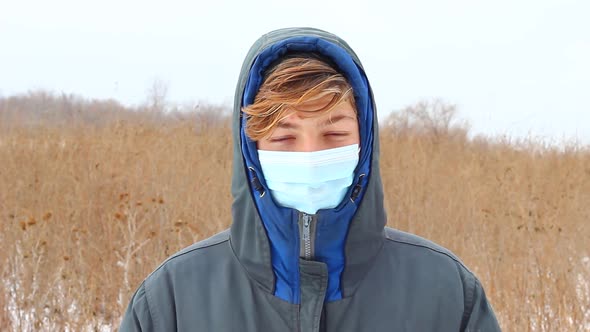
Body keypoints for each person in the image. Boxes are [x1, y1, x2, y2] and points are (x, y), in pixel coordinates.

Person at [120, 27, 500, 331]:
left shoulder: (445, 294)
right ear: (251, 151)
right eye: (284, 137)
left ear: (365, 142)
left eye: (334, 135)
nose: (310, 157)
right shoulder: (171, 302)